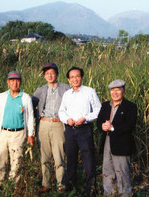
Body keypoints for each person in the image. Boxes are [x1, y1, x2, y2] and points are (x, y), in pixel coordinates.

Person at [58, 66, 101, 197]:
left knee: (88, 161)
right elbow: (61, 111)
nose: (75, 79)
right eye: (72, 77)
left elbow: (98, 110)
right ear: (69, 80)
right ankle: (72, 189)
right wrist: (67, 119)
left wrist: (85, 118)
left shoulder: (89, 91)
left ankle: (90, 190)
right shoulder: (67, 94)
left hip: (84, 130)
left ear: (82, 77)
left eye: (77, 76)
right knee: (70, 160)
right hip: (70, 130)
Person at [0, 71, 34, 185]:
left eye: (17, 80)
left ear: (20, 82)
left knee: (16, 160)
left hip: (19, 134)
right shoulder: (1, 96)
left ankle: (13, 185)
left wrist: (30, 135)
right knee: (0, 159)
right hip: (3, 133)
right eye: (12, 80)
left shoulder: (26, 98)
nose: (15, 83)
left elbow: (30, 117)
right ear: (8, 82)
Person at [32, 63, 70, 192]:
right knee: (45, 156)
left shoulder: (65, 88)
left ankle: (61, 186)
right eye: (47, 73)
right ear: (44, 76)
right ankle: (46, 184)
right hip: (43, 124)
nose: (50, 75)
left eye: (52, 73)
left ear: (57, 74)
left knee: (59, 156)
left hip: (58, 124)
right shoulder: (40, 90)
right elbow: (30, 105)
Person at [96, 79, 137, 197]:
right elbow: (99, 122)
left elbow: (130, 125)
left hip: (122, 143)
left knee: (122, 173)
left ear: (123, 91)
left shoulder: (130, 106)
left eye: (118, 90)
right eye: (112, 90)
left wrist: (113, 127)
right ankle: (109, 194)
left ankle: (125, 194)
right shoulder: (105, 105)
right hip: (107, 142)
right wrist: (102, 126)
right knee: (107, 171)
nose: (115, 93)